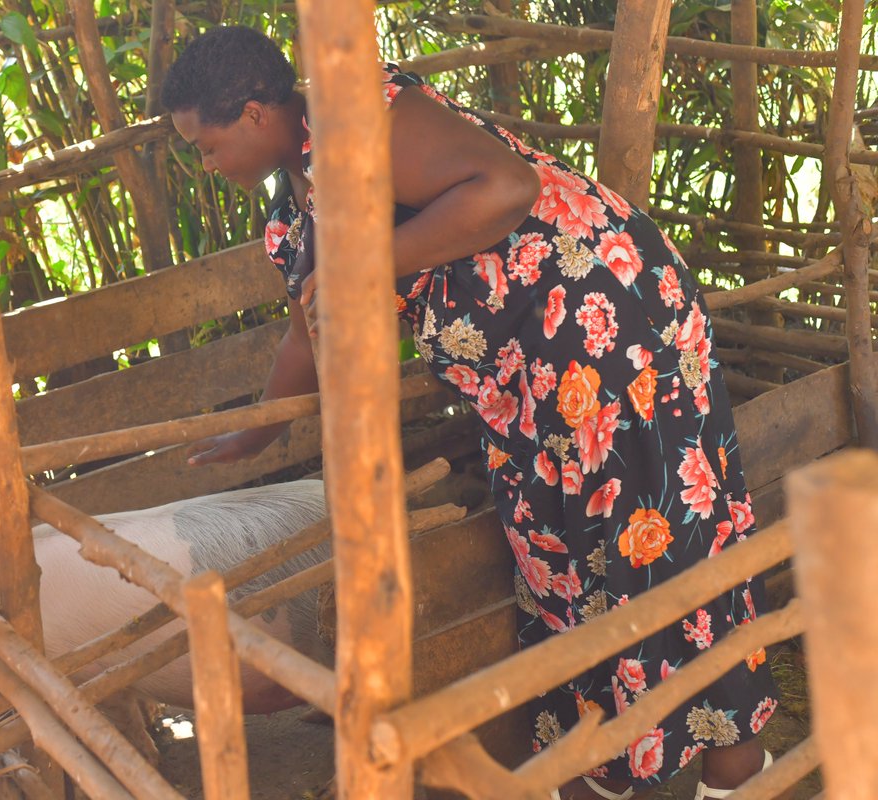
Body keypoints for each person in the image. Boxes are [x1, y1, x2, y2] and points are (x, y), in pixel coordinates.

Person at [162, 25, 778, 800]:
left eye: (206, 145)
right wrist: (257, 429)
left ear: (254, 113)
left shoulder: (370, 117)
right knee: (560, 562)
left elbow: (505, 188)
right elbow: (307, 328)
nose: (205, 166)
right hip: (524, 385)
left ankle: (733, 771)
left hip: (615, 338)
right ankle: (609, 766)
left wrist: (367, 257)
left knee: (664, 548)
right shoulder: (294, 216)